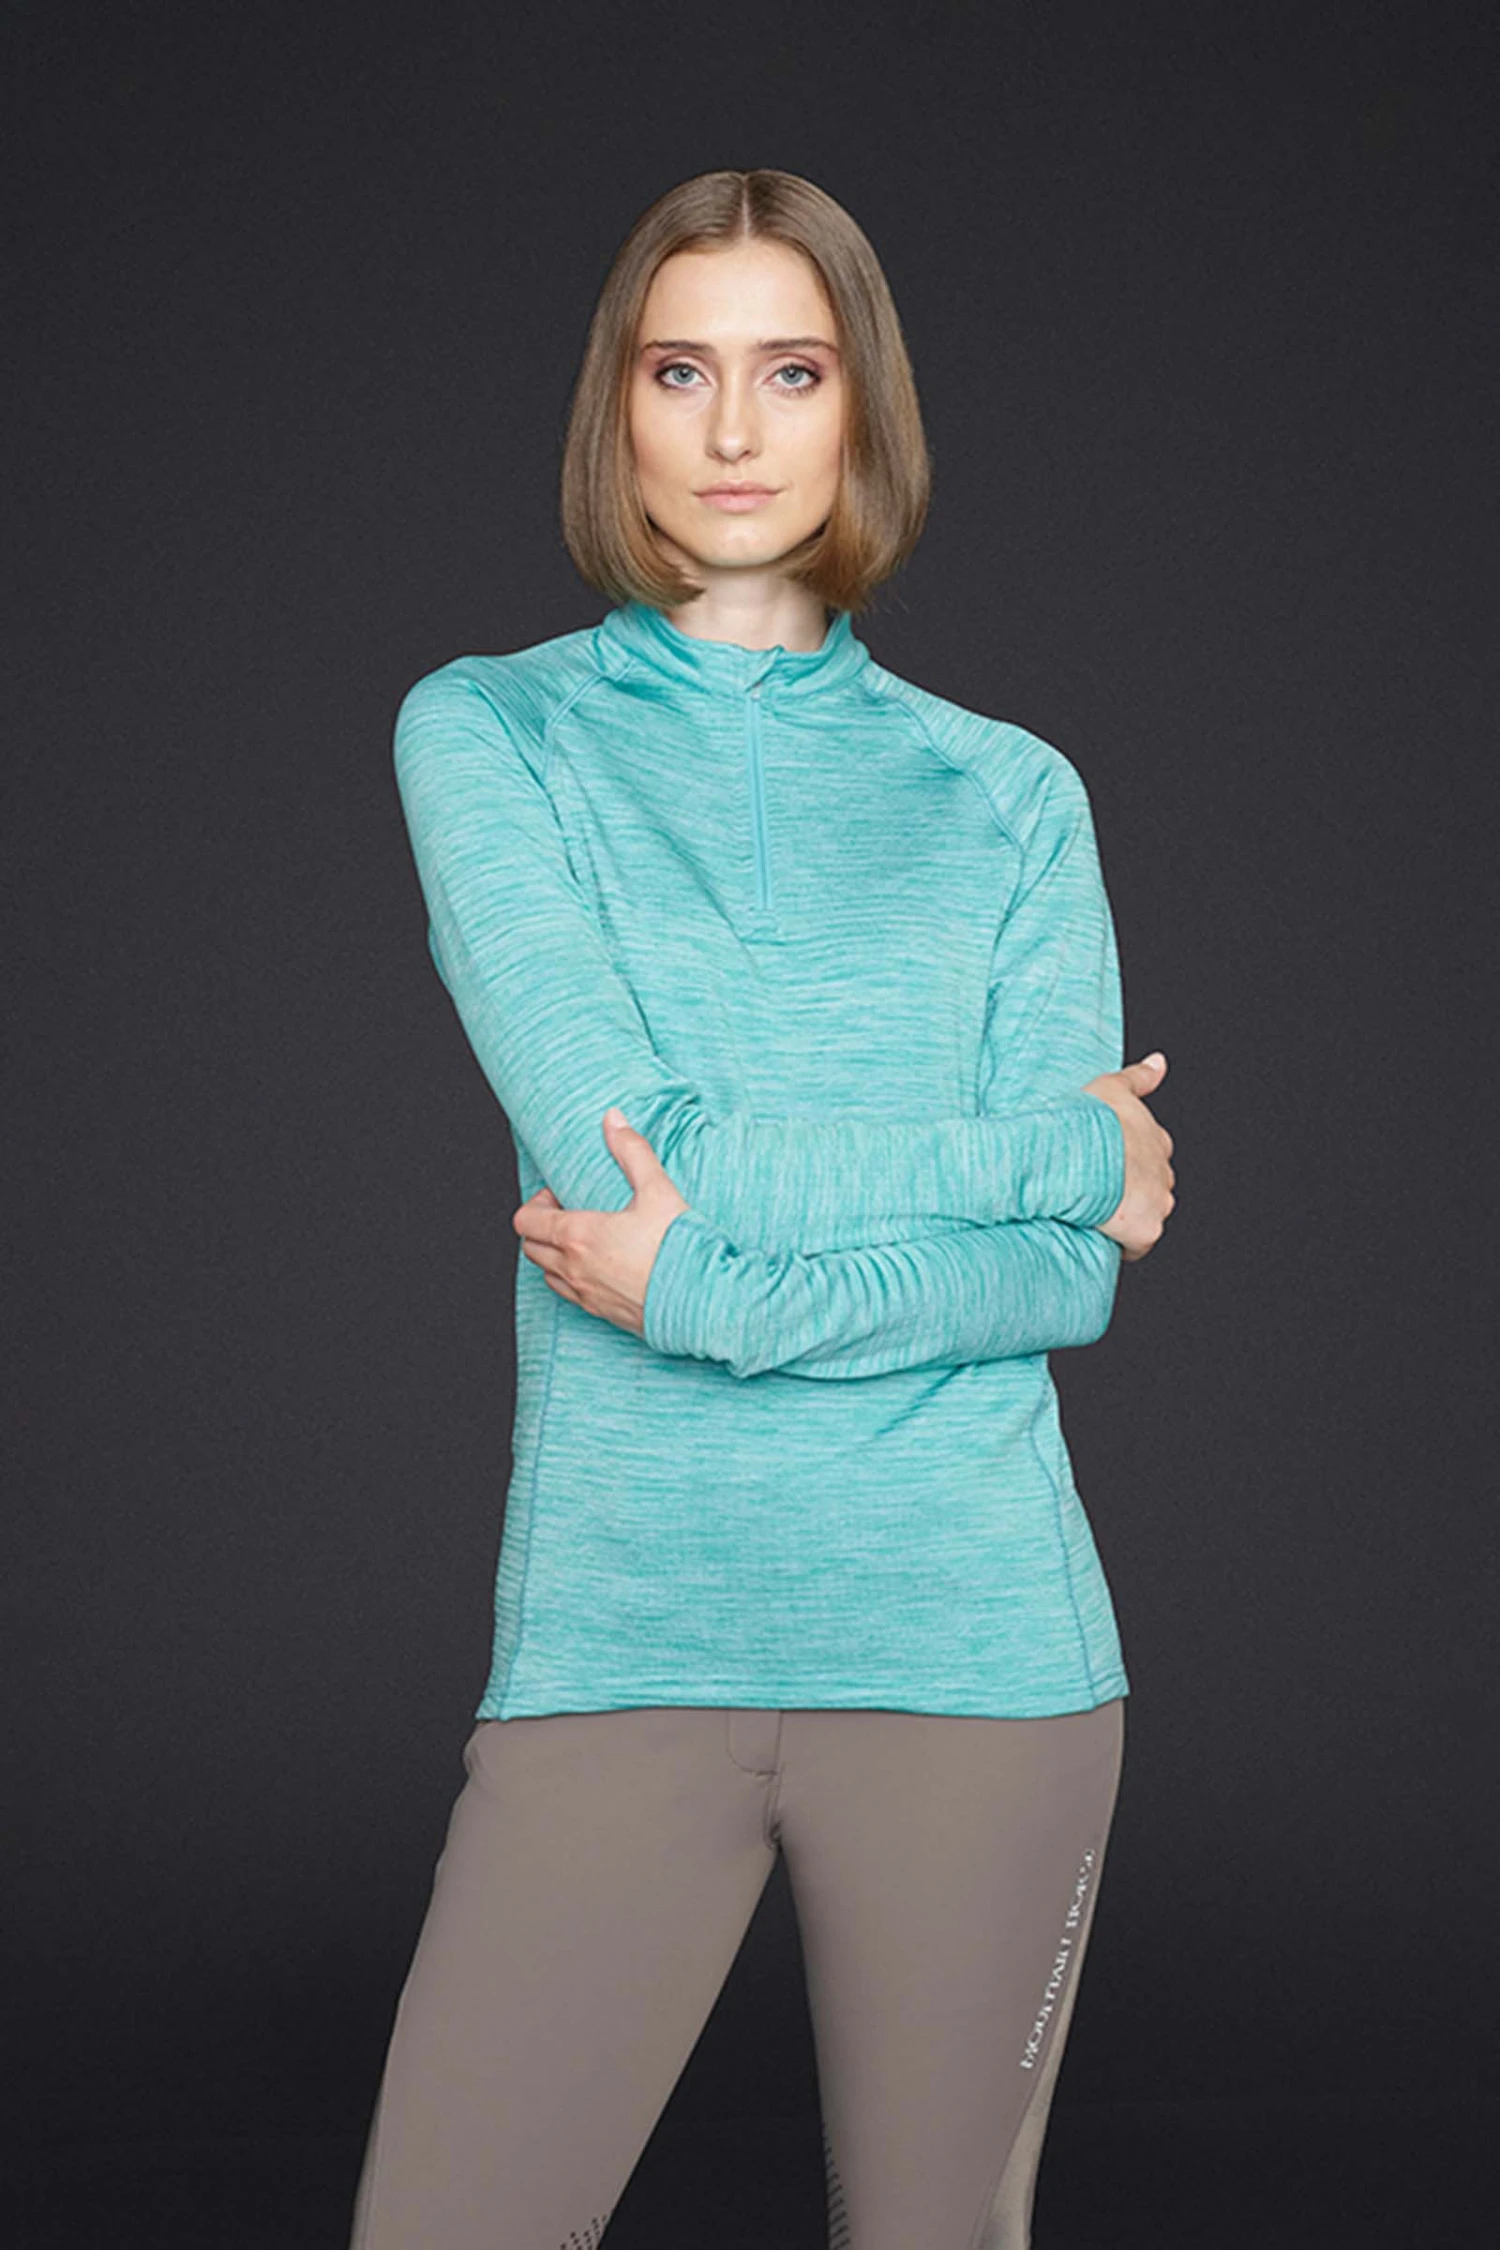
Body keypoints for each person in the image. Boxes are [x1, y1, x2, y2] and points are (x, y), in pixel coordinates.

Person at [350, 167, 1175, 2250]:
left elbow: (1060, 1289)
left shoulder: (1012, 793)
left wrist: (711, 1292)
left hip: (985, 1660)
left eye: (790, 372)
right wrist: (1065, 1148)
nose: (732, 431)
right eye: (680, 372)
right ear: (615, 411)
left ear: (860, 405)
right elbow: (654, 1157)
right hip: (625, 1643)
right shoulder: (492, 731)